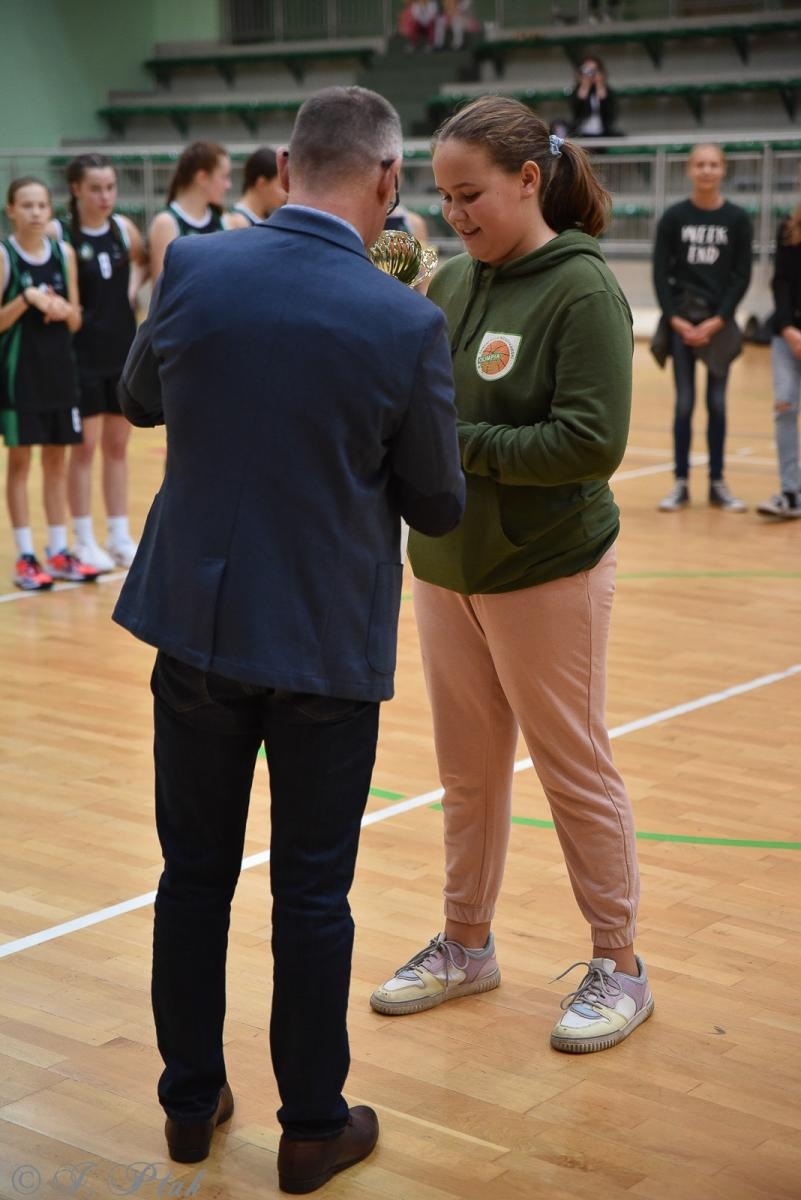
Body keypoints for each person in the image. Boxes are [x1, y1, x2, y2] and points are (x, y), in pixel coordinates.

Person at [112, 85, 464, 1193]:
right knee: (312, 893)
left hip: (198, 629)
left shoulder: (198, 267)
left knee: (191, 878)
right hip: (320, 640)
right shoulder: (406, 320)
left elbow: (140, 399)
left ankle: (186, 1100)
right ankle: (311, 1125)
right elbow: (439, 503)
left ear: (283, 162)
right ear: (388, 182)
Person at [369, 96, 653, 1056]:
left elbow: (588, 442)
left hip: (547, 568)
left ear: (529, 180)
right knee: (466, 776)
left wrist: (452, 444)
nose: (453, 214)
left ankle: (619, 962)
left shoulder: (581, 290)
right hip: (445, 565)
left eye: (470, 194)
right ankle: (465, 944)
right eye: (442, 196)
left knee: (572, 767)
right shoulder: (444, 286)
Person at [48, 154, 148, 570]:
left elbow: (143, 261)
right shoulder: (61, 232)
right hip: (80, 356)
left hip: (120, 351)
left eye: (110, 187)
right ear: (76, 189)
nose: (106, 196)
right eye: (96, 188)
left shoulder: (123, 229)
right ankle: (83, 538)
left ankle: (119, 535)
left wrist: (131, 290)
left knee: (117, 447)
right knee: (84, 449)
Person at [1, 178, 99, 589]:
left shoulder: (65, 254)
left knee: (57, 462)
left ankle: (59, 551)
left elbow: (77, 319)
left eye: (42, 205)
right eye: (27, 205)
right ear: (11, 211)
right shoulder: (5, 256)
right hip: (20, 377)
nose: (37, 212)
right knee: (21, 464)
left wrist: (60, 308)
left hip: (61, 375)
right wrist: (27, 299)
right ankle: (25, 556)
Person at [654, 144, 752, 513]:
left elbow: (741, 275)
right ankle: (680, 482)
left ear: (723, 170)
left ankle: (717, 482)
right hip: (680, 323)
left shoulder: (738, 219)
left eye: (713, 164)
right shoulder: (674, 218)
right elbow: (660, 274)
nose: (707, 170)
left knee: (718, 404)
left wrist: (718, 320)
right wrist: (675, 319)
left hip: (719, 325)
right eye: (700, 164)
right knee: (683, 405)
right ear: (690, 170)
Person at [757, 200, 801, 519]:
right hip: (787, 334)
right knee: (785, 405)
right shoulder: (788, 226)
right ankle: (790, 492)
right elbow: (781, 281)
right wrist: (788, 328)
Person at [147, 141, 232, 279]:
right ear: (202, 177)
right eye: (224, 177)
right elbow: (161, 291)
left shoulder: (224, 220)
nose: (228, 185)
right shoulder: (166, 223)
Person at [226, 146, 287, 229]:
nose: (286, 192)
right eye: (281, 185)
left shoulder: (267, 217)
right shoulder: (238, 222)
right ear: (261, 183)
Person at [568, 56, 619, 138]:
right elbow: (576, 111)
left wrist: (600, 85)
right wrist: (584, 86)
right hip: (582, 134)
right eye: (587, 70)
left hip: (603, 133)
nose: (590, 74)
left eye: (594, 71)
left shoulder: (607, 91)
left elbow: (609, 114)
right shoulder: (576, 91)